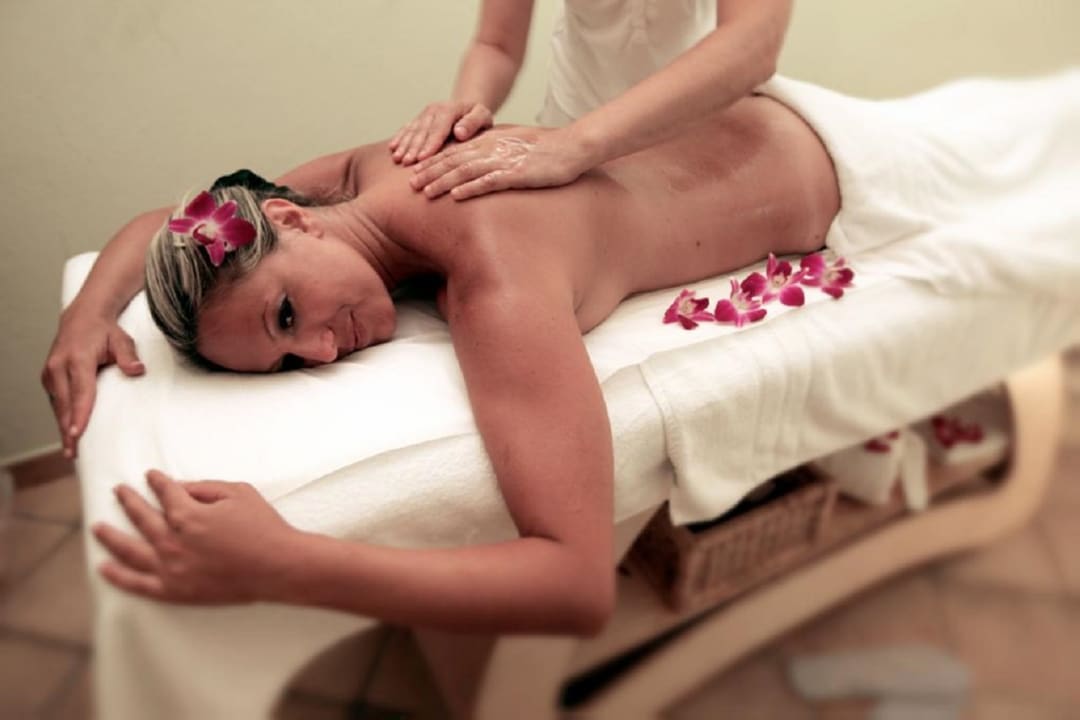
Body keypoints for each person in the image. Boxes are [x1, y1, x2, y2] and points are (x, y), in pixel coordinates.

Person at [86, 91, 838, 634]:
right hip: (750, 115)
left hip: (836, 168)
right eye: (287, 361)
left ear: (289, 218)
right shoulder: (372, 171)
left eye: (286, 315)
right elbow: (168, 225)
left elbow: (575, 583)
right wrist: (87, 315)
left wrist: (284, 562)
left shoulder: (495, 284)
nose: (321, 350)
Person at [391, 0, 792, 200]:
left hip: (700, 135)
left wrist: (577, 144)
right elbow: (497, 45)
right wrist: (468, 106)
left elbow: (753, 43)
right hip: (569, 128)